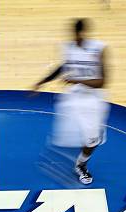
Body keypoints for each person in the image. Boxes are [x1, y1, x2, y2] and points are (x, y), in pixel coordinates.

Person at [33, 18, 109, 186]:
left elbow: (102, 82)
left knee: (92, 140)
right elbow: (64, 67)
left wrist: (77, 80)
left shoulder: (99, 49)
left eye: (78, 34)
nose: (75, 37)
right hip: (74, 97)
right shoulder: (68, 47)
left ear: (83, 33)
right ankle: (54, 155)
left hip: (93, 100)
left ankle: (80, 164)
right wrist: (43, 81)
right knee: (66, 134)